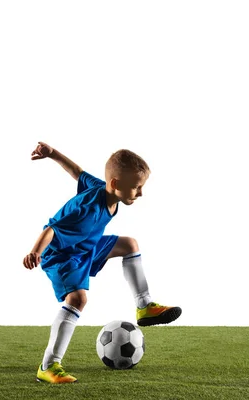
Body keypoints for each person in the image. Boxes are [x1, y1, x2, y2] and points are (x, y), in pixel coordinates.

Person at [23, 141, 182, 384]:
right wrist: (35, 251)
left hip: (87, 245)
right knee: (77, 299)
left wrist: (53, 154)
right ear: (116, 184)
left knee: (130, 245)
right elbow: (52, 231)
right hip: (63, 255)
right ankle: (48, 365)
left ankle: (145, 306)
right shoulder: (87, 212)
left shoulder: (103, 188)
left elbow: (77, 172)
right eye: (136, 188)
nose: (140, 193)